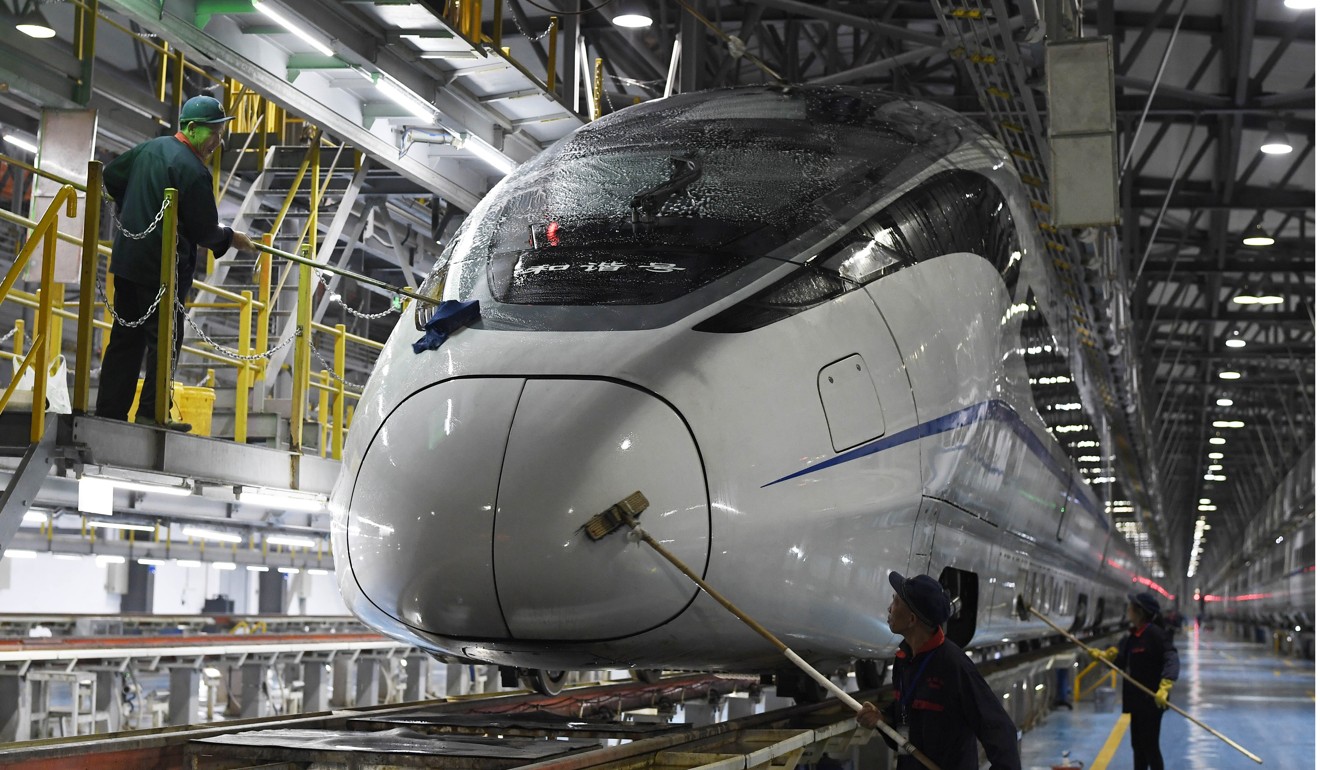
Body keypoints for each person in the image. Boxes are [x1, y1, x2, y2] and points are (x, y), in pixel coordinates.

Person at [95, 95, 255, 430]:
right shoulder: (193, 171)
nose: (218, 141)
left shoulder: (149, 149)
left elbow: (110, 177)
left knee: (125, 338)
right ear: (192, 128)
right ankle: (152, 415)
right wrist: (232, 238)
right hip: (162, 271)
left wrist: (135, 205)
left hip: (127, 263)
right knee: (164, 343)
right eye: (214, 132)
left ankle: (109, 411)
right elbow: (203, 230)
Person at [856, 572, 1021, 770]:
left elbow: (1000, 731)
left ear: (911, 620)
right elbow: (905, 729)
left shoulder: (954, 667)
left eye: (896, 602)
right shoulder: (904, 660)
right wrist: (882, 719)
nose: (890, 608)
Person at [1089, 592, 1180, 770]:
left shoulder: (1155, 635)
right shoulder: (1132, 637)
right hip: (1136, 700)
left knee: (1150, 747)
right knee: (1137, 747)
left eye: (1131, 607)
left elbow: (1172, 658)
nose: (1128, 610)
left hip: (1152, 699)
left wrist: (1166, 684)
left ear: (1140, 612)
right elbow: (1122, 663)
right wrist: (1104, 658)